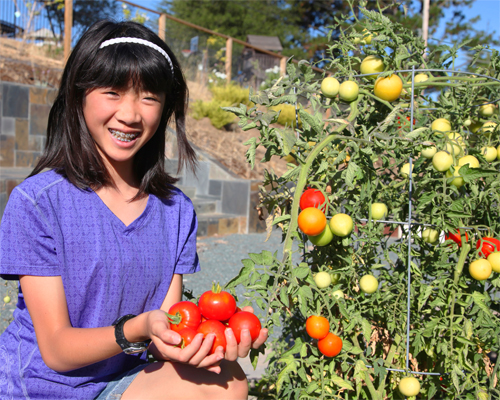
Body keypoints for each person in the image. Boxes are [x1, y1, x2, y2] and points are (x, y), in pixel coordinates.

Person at [0, 20, 268, 400]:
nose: (130, 114)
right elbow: (57, 350)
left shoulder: (175, 211)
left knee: (228, 380)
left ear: (165, 108)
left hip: (121, 381)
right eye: (112, 92)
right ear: (78, 95)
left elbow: (166, 332)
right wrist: (137, 328)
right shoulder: (38, 202)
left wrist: (208, 339)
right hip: (43, 387)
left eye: (148, 97)